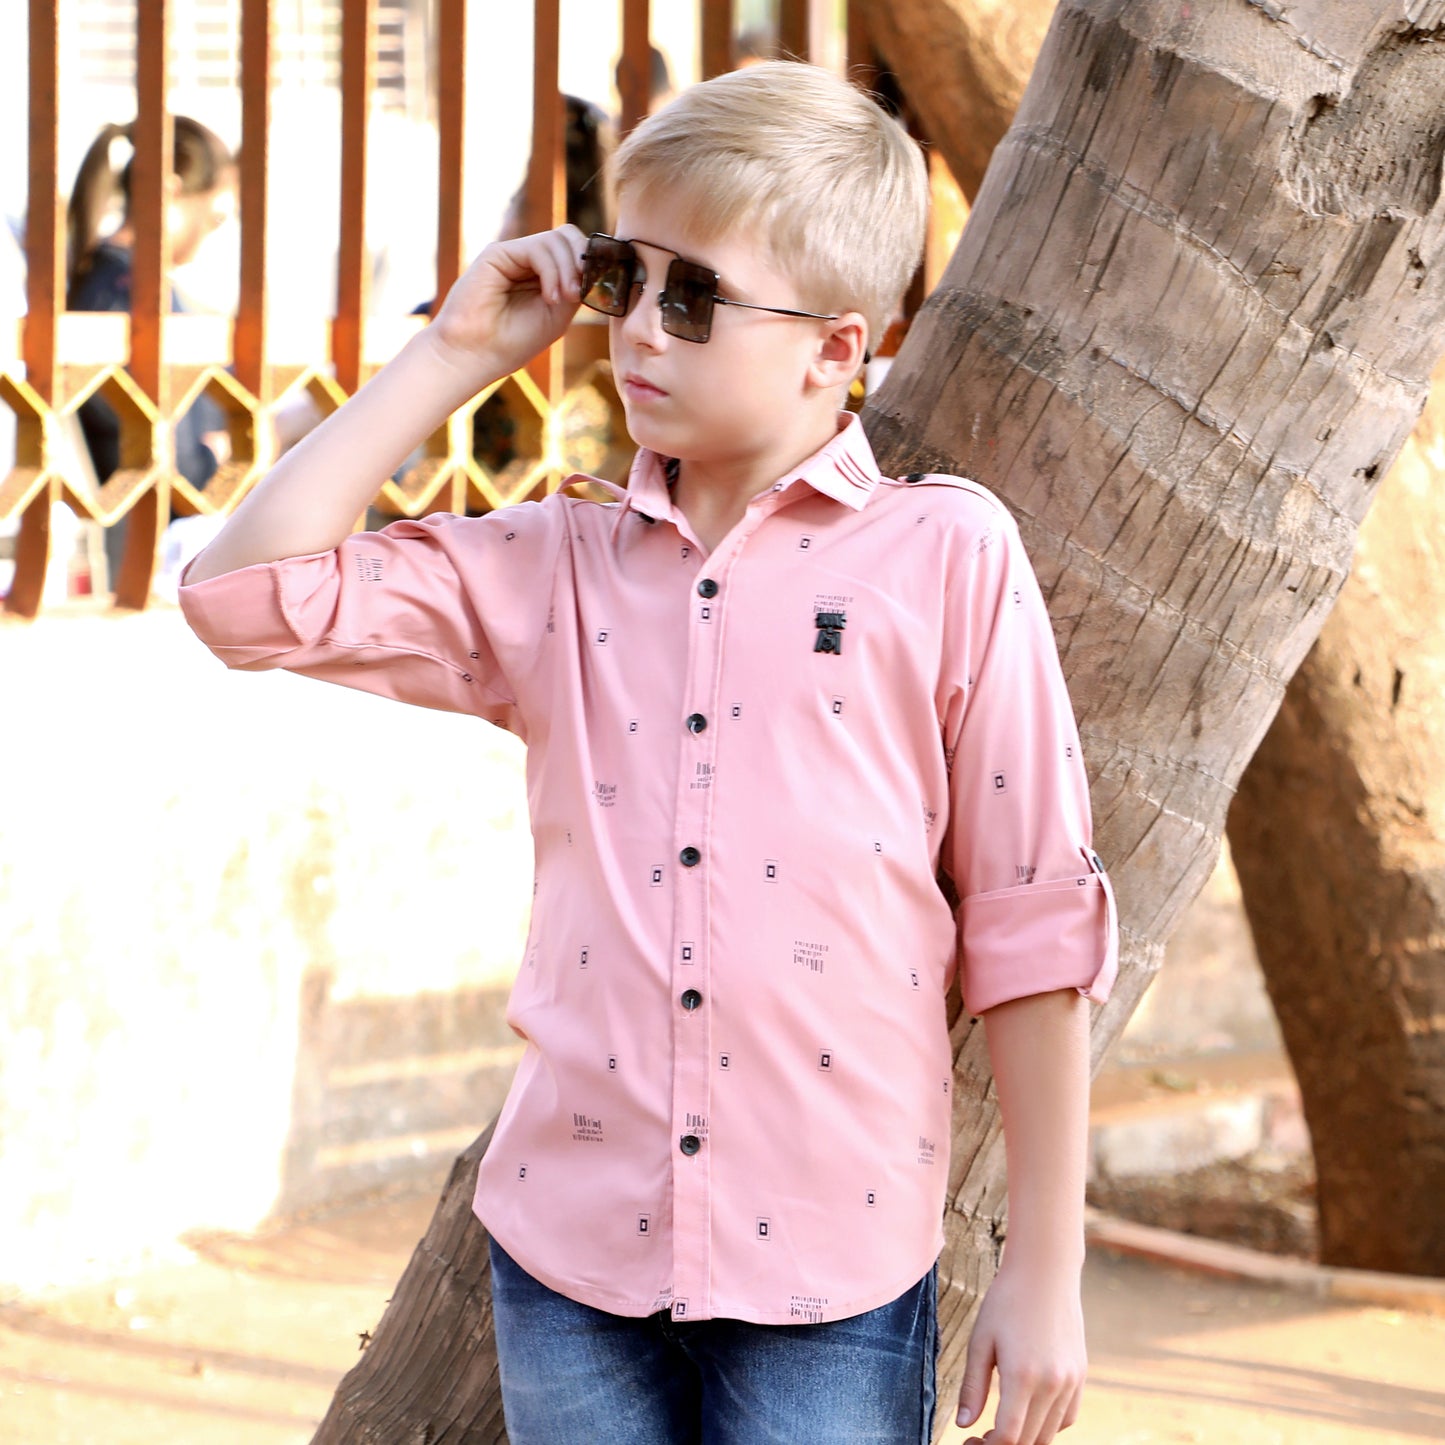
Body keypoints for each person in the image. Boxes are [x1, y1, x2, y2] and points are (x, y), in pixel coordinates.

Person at [178, 61, 1116, 1445]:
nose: (637, 332)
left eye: (693, 297)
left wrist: (1045, 1267)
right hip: (572, 1258)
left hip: (834, 1265)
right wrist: (452, 355)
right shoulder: (553, 567)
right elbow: (241, 598)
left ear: (835, 349)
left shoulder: (947, 556)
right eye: (625, 278)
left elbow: (1031, 922)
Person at [66, 115, 236, 589]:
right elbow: (171, 458)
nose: (212, 233)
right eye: (215, 216)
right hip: (154, 550)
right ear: (170, 191)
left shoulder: (113, 282)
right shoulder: (131, 296)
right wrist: (228, 454)